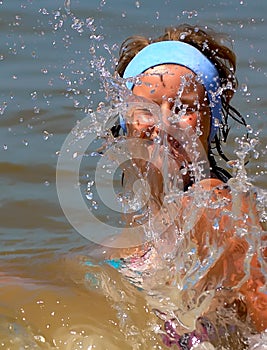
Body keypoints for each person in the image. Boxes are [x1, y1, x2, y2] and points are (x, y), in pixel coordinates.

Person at [103, 24, 266, 348]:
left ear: (211, 118)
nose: (163, 125)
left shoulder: (212, 207)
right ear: (125, 119)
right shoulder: (132, 233)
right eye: (147, 109)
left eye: (183, 108)